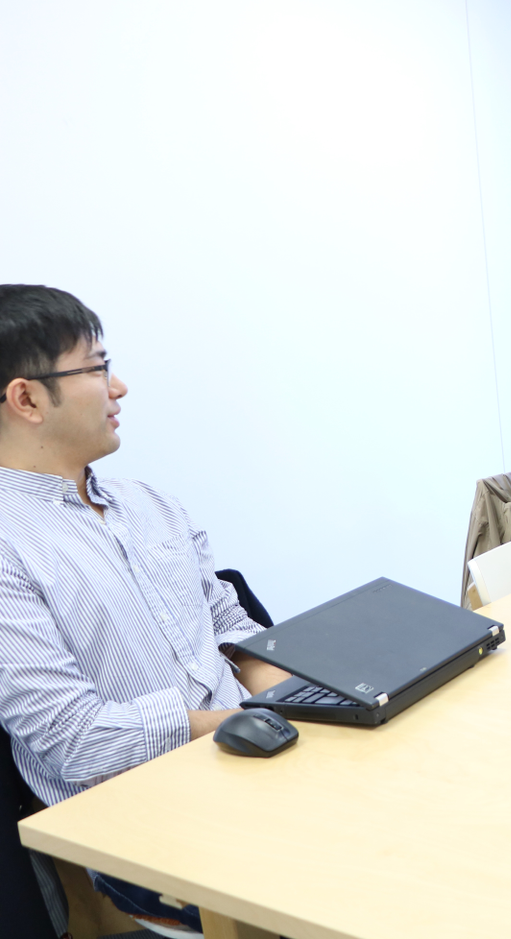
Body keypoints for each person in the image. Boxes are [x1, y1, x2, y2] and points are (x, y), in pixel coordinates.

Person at [0, 284, 292, 933]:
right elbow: (76, 741)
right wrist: (231, 723)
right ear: (26, 399)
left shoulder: (148, 502)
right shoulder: (8, 545)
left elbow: (231, 626)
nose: (119, 387)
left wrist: (292, 701)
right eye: (97, 368)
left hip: (258, 759)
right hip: (144, 829)